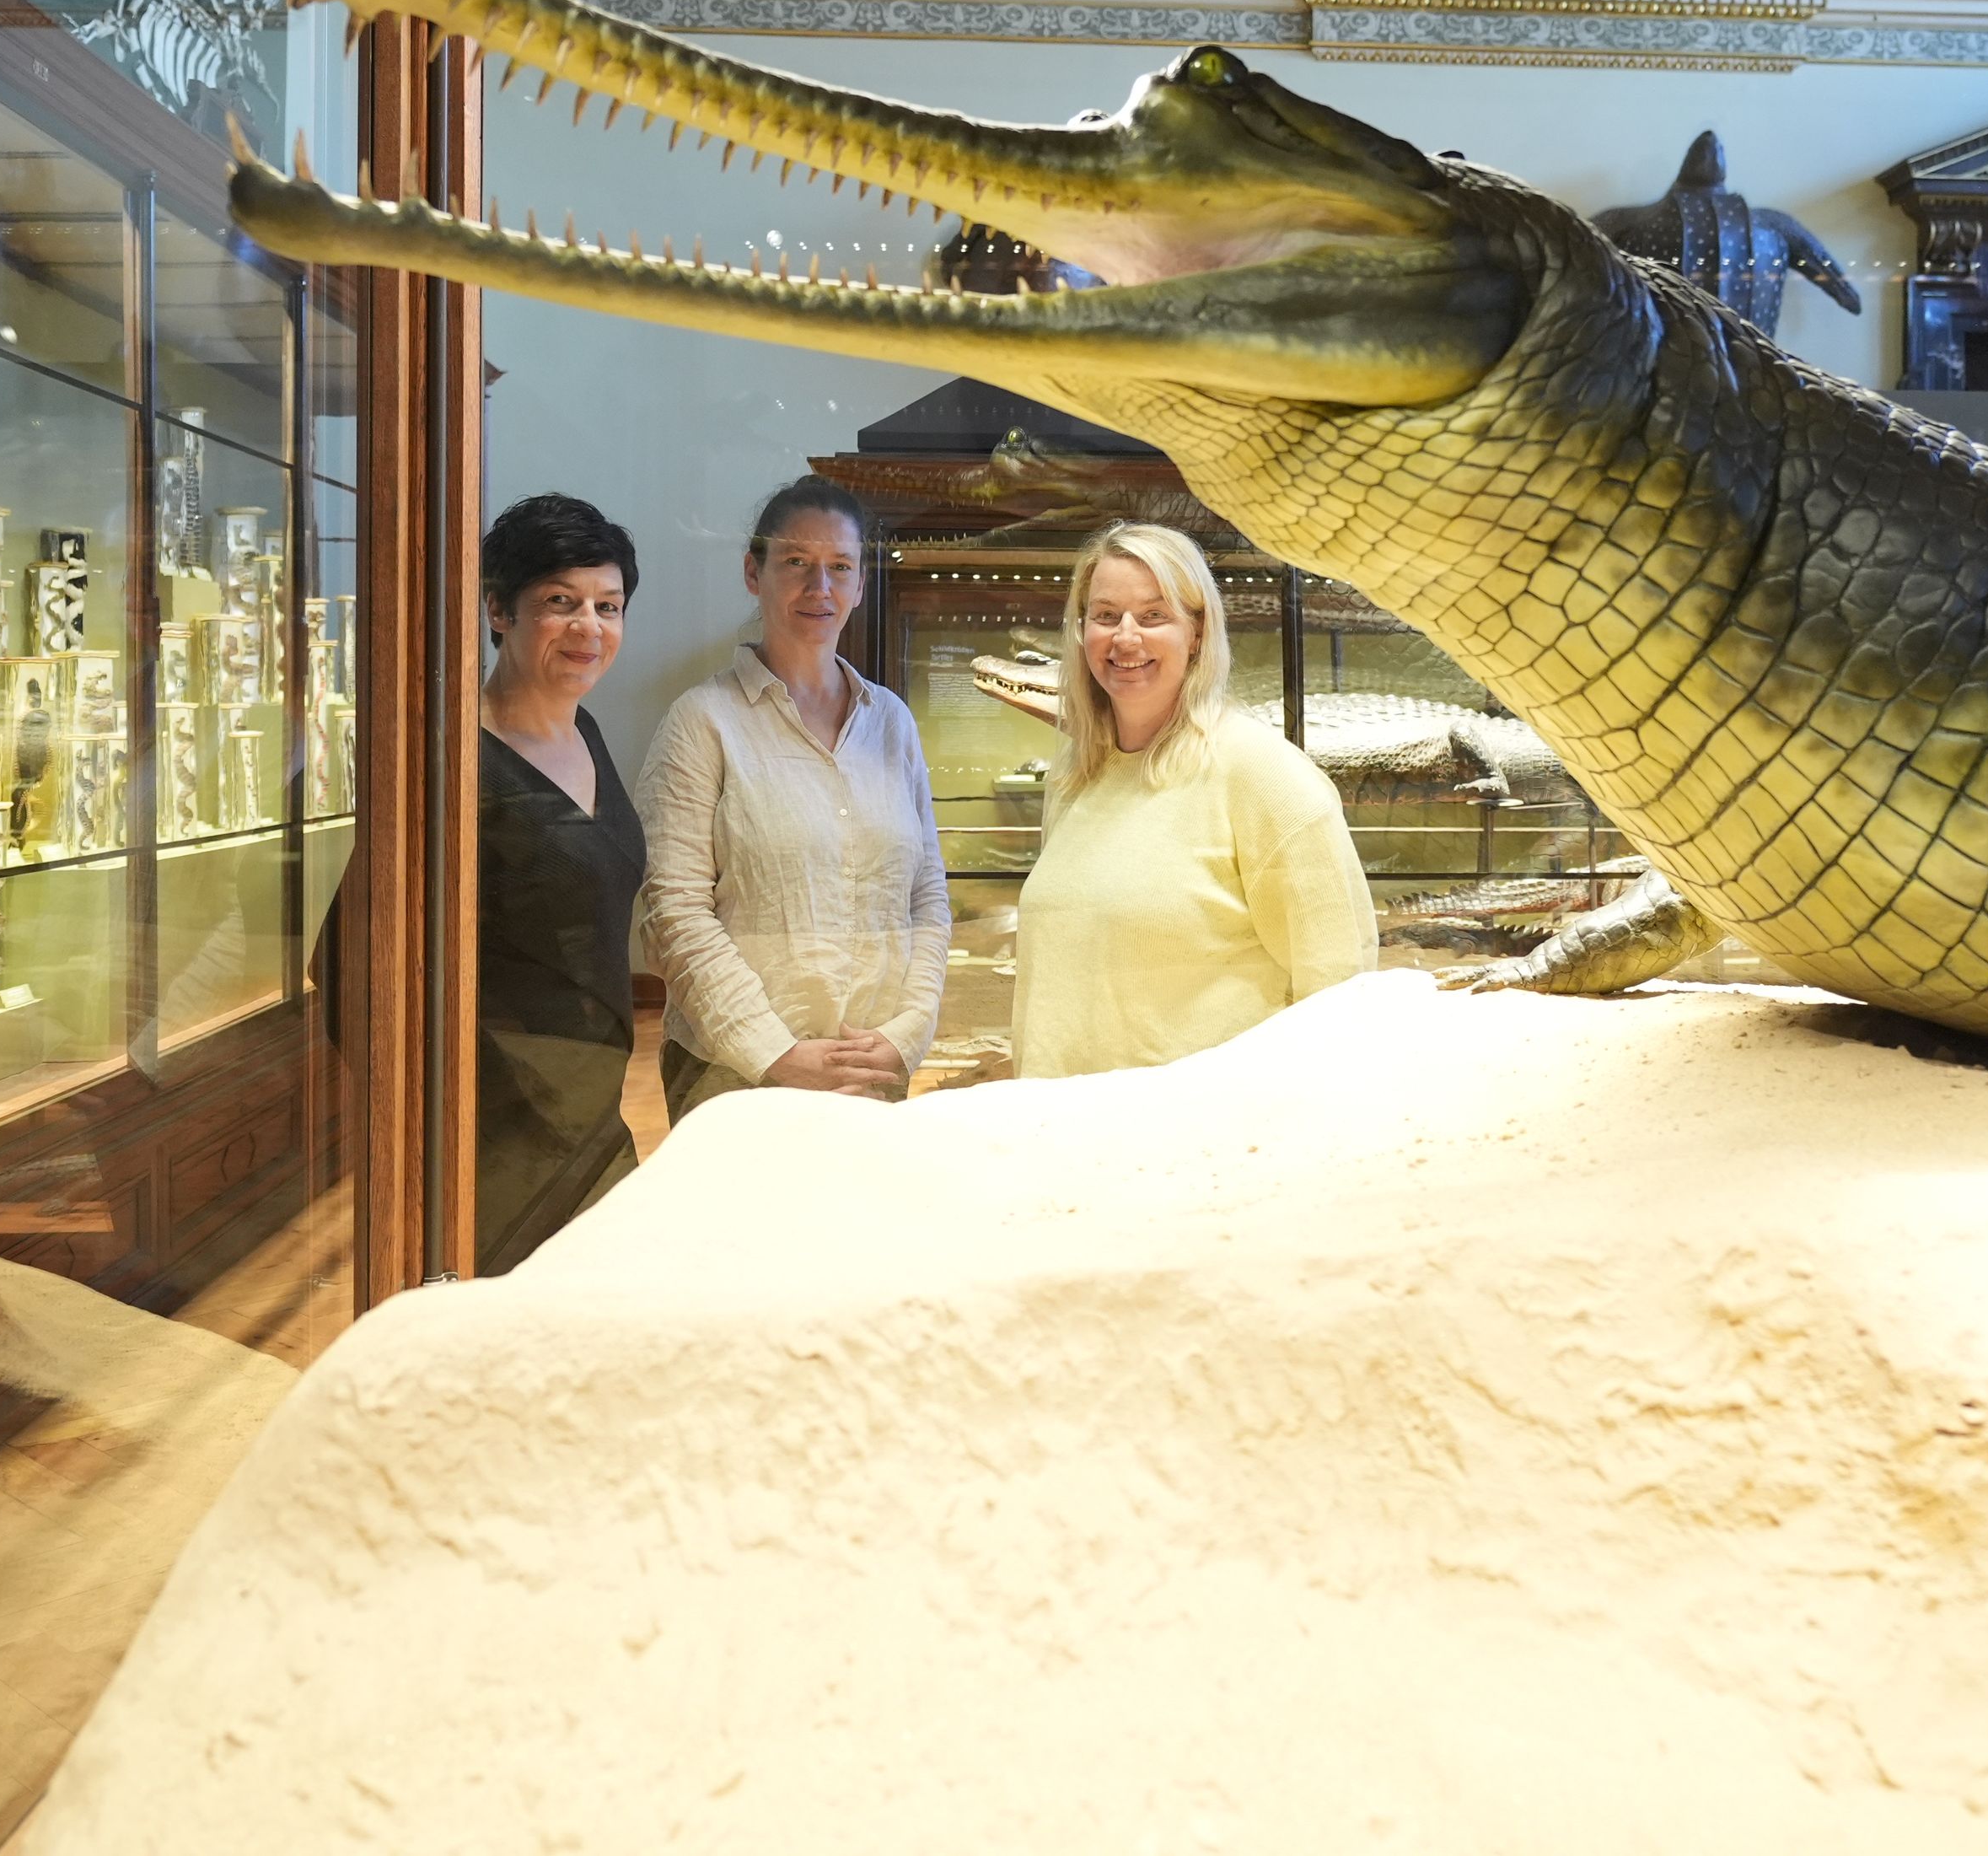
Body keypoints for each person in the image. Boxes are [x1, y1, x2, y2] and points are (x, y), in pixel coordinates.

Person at [1009, 522, 1377, 1079]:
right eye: (1106, 615)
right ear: (1082, 630)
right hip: (1063, 1136)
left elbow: (1340, 990)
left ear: (1197, 631)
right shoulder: (1077, 771)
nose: (1125, 637)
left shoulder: (1263, 772)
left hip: (1203, 1143)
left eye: (1154, 615)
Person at [638, 476, 949, 1117]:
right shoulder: (703, 721)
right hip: (735, 1078)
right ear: (754, 573)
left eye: (840, 567)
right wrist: (773, 1051)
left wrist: (905, 1035)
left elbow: (927, 894)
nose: (821, 588)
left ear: (862, 584)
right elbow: (675, 910)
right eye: (796, 564)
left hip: (871, 1070)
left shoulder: (891, 722)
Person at [466, 492, 647, 1272]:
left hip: (590, 1098)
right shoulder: (456, 755)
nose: (589, 628)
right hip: (498, 1125)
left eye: (608, 606)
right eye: (560, 603)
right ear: (498, 609)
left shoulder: (586, 730)